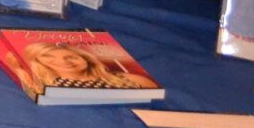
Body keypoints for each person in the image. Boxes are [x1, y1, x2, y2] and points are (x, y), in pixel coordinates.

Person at [10, 41, 154, 92]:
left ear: (87, 60)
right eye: (48, 56)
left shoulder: (128, 79)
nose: (64, 61)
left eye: (71, 56)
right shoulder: (43, 84)